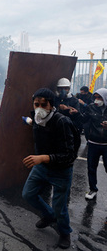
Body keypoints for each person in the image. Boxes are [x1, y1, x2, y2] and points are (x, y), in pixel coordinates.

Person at [22, 88, 76, 249]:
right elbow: (30, 121)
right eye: (36, 104)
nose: (38, 108)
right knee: (28, 194)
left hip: (61, 170)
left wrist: (43, 157)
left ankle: (65, 233)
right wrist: (20, 118)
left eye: (43, 105)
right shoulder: (36, 119)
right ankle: (49, 215)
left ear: (51, 105)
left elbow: (69, 155)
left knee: (59, 206)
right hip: (42, 168)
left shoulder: (62, 122)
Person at [79, 88, 107, 200]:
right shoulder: (91, 107)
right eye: (95, 97)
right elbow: (83, 119)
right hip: (93, 143)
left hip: (106, 144)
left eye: (99, 97)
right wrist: (75, 113)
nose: (97, 100)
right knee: (91, 168)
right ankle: (92, 189)